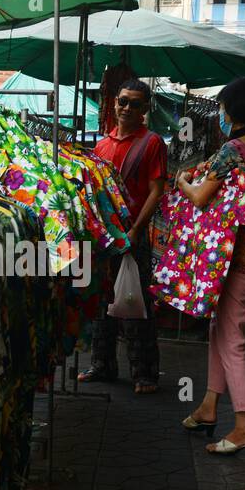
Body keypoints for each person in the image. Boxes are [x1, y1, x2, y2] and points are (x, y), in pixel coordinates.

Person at [175, 78, 245, 456]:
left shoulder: (231, 151)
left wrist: (183, 181)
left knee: (232, 339)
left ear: (229, 111)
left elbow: (202, 198)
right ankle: (208, 407)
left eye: (220, 108)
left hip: (232, 258)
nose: (219, 114)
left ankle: (244, 425)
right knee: (221, 330)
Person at [80, 79, 169, 393]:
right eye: (122, 101)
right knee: (103, 300)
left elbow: (156, 191)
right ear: (113, 103)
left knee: (136, 303)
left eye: (134, 103)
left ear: (145, 109)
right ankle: (101, 365)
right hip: (105, 237)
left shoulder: (152, 143)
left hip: (133, 235)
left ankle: (144, 373)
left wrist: (135, 231)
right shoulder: (102, 145)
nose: (127, 108)